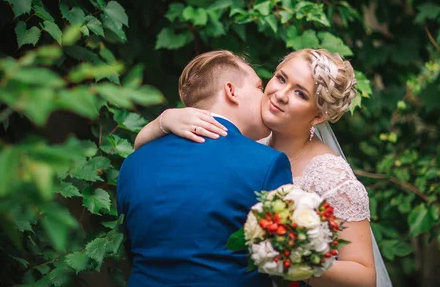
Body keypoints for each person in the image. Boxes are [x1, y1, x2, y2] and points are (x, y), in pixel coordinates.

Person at [135, 48, 393, 287]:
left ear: (318, 116)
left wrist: (297, 259)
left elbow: (365, 276)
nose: (281, 94)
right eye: (281, 78)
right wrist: (165, 119)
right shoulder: (244, 138)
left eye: (300, 93)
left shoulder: (332, 177)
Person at [117, 50, 293, 287]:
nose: (264, 97)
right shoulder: (266, 164)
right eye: (258, 87)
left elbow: (131, 248)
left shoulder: (132, 164)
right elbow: (285, 259)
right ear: (231, 91)